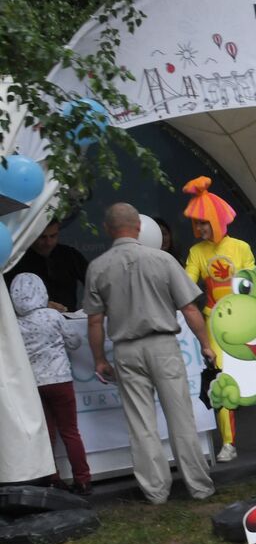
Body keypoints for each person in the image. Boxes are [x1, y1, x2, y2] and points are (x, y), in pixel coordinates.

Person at [83, 203, 217, 504]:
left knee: (140, 422)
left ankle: (155, 491)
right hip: (164, 346)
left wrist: (99, 360)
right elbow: (190, 308)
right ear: (140, 227)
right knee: (180, 416)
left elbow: (94, 320)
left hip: (126, 350)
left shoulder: (98, 267)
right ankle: (199, 486)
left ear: (108, 229)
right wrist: (206, 343)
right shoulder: (163, 260)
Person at [182, 176, 255, 463]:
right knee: (223, 380)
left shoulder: (241, 247)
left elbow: (254, 284)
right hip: (215, 324)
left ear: (216, 219)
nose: (199, 228)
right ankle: (228, 442)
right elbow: (186, 285)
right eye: (196, 222)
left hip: (246, 322)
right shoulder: (196, 252)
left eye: (203, 221)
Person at [12, 272, 92, 495]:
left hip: (33, 385)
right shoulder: (52, 316)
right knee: (70, 431)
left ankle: (53, 480)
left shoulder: (13, 324)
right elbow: (74, 342)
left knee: (47, 434)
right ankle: (83, 479)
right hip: (60, 381)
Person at [4, 218, 88, 311]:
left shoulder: (70, 255)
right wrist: (42, 304)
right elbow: (6, 295)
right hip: (31, 320)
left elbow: (92, 280)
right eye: (42, 237)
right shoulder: (16, 260)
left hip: (71, 317)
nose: (48, 242)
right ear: (32, 234)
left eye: (53, 236)